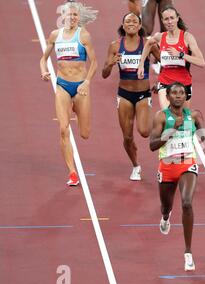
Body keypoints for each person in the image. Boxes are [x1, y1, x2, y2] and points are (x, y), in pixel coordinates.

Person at [150, 82, 205, 271]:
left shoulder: (193, 115)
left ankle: (188, 252)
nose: (178, 96)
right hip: (167, 166)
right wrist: (172, 131)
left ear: (186, 97)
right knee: (166, 206)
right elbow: (152, 145)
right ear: (167, 97)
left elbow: (201, 131)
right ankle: (165, 217)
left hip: (187, 164)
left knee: (186, 203)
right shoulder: (161, 117)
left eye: (181, 93)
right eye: (174, 93)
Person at [39, 1, 97, 186]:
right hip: (62, 85)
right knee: (63, 129)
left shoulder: (84, 36)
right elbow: (43, 59)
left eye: (75, 15)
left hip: (80, 87)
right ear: (62, 16)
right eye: (68, 15)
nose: (71, 18)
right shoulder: (55, 35)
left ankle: (77, 109)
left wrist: (87, 83)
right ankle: (72, 172)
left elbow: (94, 63)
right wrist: (44, 71)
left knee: (85, 134)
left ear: (78, 17)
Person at [102, 12, 159, 180]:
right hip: (124, 95)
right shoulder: (114, 46)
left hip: (143, 94)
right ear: (123, 25)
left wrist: (162, 81)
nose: (132, 23)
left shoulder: (148, 44)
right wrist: (111, 64)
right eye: (128, 21)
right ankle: (136, 166)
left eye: (135, 21)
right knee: (127, 137)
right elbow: (104, 74)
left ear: (140, 26)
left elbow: (165, 62)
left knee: (144, 131)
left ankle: (159, 120)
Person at [137, 5, 205, 109]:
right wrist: (141, 64)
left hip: (184, 83)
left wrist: (181, 55)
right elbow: (148, 44)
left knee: (185, 119)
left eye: (172, 18)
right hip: (165, 82)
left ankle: (187, 125)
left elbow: (201, 62)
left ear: (177, 18)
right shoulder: (160, 37)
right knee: (167, 116)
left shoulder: (187, 37)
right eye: (166, 19)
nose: (169, 22)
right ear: (162, 21)